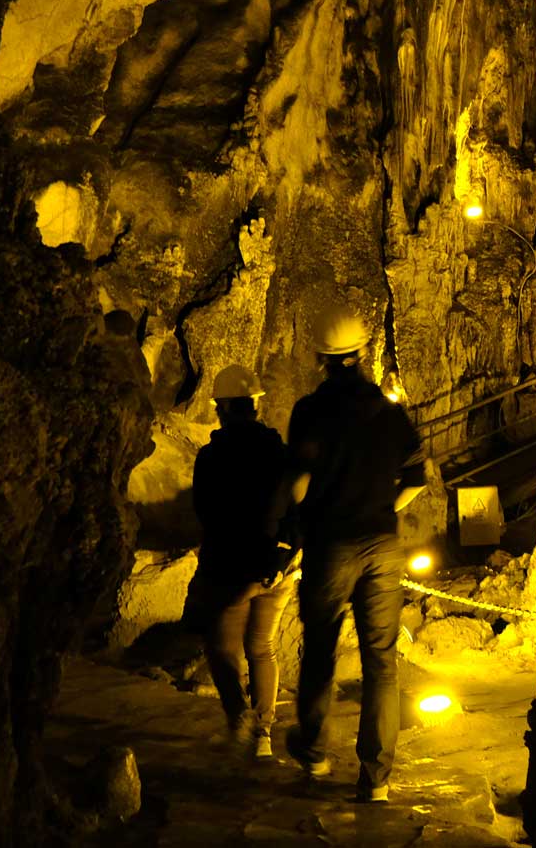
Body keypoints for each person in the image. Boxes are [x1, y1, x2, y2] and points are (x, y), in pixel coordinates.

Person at [276, 301, 422, 802]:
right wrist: (383, 507)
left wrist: (304, 519)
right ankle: (376, 778)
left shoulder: (310, 411)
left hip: (331, 542)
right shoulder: (389, 411)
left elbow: (299, 480)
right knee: (381, 659)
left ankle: (315, 753)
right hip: (382, 543)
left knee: (321, 645)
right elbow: (418, 479)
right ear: (363, 352)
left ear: (321, 357)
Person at [186, 364, 294, 760]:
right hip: (277, 567)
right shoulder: (279, 451)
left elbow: (205, 511)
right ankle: (263, 734)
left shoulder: (212, 457)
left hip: (231, 570)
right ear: (254, 406)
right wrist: (284, 553)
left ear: (225, 408)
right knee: (263, 647)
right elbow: (295, 502)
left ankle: (240, 717)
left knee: (221, 648)